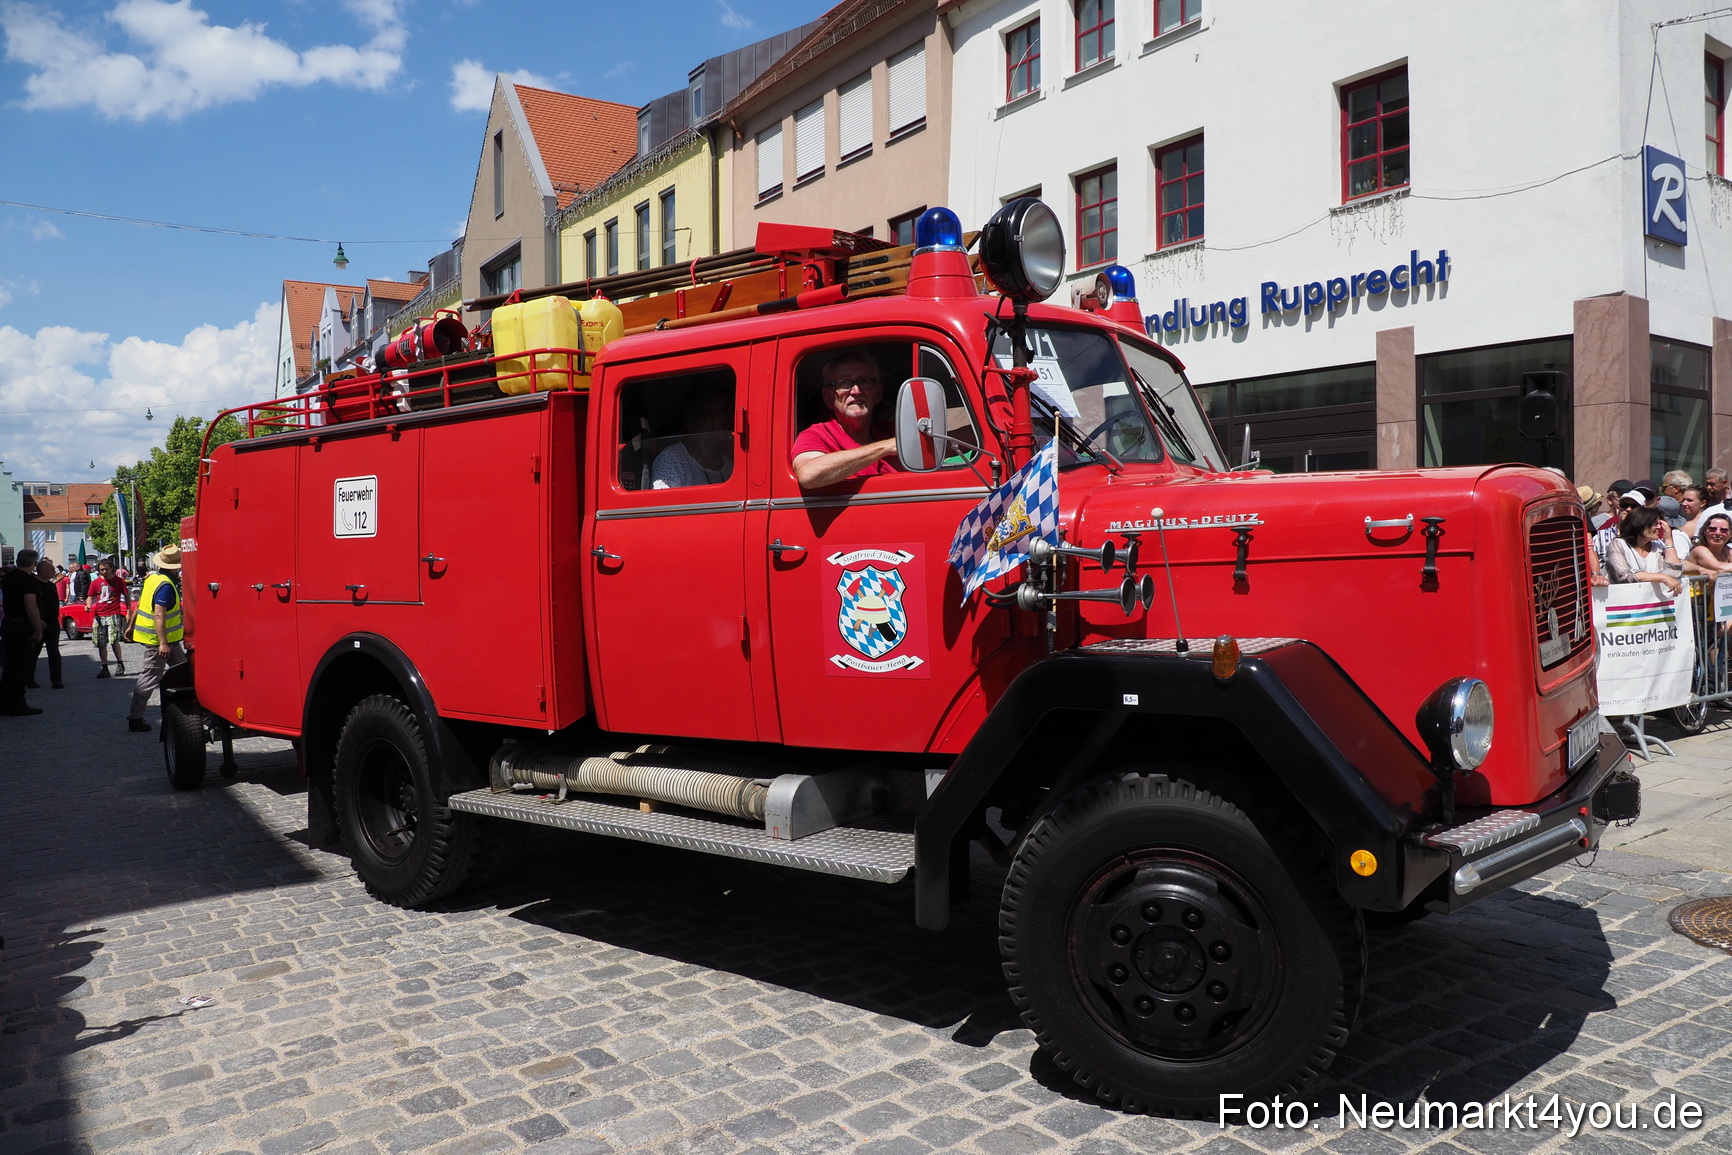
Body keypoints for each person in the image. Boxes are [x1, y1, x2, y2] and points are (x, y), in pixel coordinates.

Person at [791, 350, 903, 487]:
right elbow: (808, 475)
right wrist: (885, 447)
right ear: (828, 397)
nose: (856, 391)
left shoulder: (891, 431)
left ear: (878, 393)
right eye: (844, 383)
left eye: (864, 381)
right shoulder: (817, 435)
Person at [126, 544, 185, 734]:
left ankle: (188, 709)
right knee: (149, 678)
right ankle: (135, 719)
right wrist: (163, 643)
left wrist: (131, 626)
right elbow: (159, 615)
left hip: (167, 641)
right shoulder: (166, 586)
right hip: (159, 642)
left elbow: (140, 605)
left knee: (184, 673)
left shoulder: (153, 579)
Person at [650, 389, 734, 489]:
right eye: (724, 409)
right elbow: (664, 502)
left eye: (732, 409)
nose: (732, 416)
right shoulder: (671, 458)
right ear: (703, 414)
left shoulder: (727, 464)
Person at [1, 549, 44, 716]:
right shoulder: (27, 579)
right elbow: (30, 606)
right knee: (20, 666)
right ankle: (18, 704)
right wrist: (38, 629)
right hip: (20, 625)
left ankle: (5, 702)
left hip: (8, 622)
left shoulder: (9, 577)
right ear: (33, 563)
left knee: (10, 666)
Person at [1605, 506, 1684, 594]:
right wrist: (1662, 577)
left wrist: (1669, 541)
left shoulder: (1658, 547)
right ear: (1640, 524)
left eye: (1659, 523)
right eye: (1655, 523)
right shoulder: (1618, 544)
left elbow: (1674, 574)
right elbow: (1624, 575)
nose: (1659, 527)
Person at [86, 557, 130, 677]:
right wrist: (88, 605)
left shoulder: (119, 581)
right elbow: (90, 596)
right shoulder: (95, 583)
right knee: (101, 642)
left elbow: (126, 596)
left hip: (113, 613)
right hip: (99, 615)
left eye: (106, 569)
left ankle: (120, 663)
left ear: (111, 568)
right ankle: (104, 667)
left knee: (114, 640)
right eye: (101, 570)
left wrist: (128, 611)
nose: (104, 572)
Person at [28, 557, 63, 690]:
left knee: (54, 652)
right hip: (39, 622)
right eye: (51, 570)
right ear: (42, 570)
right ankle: (29, 678)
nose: (54, 572)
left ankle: (56, 679)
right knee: (34, 652)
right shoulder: (34, 584)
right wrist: (38, 620)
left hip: (52, 622)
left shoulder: (51, 585)